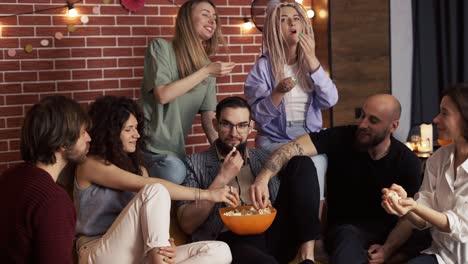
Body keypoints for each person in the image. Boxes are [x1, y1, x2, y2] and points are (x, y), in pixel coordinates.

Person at [249, 94, 424, 264]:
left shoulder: (408, 161)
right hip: (344, 230)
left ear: (393, 126)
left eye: (373, 120)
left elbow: (409, 217)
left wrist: (388, 249)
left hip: (388, 234)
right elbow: (292, 149)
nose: (362, 124)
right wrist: (263, 177)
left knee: (427, 234)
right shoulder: (343, 137)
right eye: (362, 115)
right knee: (346, 237)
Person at [75, 96, 235, 264]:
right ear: (110, 133)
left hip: (137, 253)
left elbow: (152, 221)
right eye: (129, 129)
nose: (136, 135)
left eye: (136, 128)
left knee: (220, 250)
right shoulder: (89, 164)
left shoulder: (139, 169)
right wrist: (208, 194)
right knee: (156, 189)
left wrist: (165, 244)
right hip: (99, 252)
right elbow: (152, 188)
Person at [176, 96, 321, 264]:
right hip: (230, 240)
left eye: (242, 125)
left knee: (302, 163)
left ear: (251, 126)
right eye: (226, 124)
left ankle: (307, 256)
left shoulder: (264, 158)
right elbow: (187, 224)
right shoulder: (193, 163)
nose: (234, 133)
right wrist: (222, 178)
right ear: (215, 124)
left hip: (274, 233)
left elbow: (296, 191)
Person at [244, 0, 338, 200]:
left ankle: (317, 223)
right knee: (311, 163)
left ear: (303, 25)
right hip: (274, 139)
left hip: (308, 136)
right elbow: (257, 118)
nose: (292, 23)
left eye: (296, 19)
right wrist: (277, 93)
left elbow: (330, 100)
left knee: (325, 161)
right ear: (273, 29)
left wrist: (312, 61)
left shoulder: (310, 64)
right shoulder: (262, 68)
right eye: (284, 20)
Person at [140, 0, 236, 184]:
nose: (212, 21)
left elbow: (209, 118)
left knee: (210, 174)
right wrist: (206, 71)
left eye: (215, 17)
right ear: (186, 19)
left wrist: (223, 153)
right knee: (176, 172)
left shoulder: (208, 68)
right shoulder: (161, 48)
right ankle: (140, 170)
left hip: (175, 151)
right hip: (150, 148)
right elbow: (163, 95)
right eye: (206, 14)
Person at [382, 84, 468, 264]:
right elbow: (421, 221)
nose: (436, 119)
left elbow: (459, 226)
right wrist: (404, 206)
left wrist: (414, 207)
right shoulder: (438, 159)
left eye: (444, 113)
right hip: (441, 256)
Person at [0, 96, 91, 263]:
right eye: (83, 132)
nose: (89, 138)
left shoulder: (9, 177)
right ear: (63, 143)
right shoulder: (53, 200)